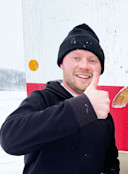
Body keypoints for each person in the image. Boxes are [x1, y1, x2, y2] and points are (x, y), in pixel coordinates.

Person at [0, 24, 119, 174]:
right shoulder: (42, 99)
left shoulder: (104, 115)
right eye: (76, 58)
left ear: (100, 69)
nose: (84, 65)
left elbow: (110, 164)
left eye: (92, 60)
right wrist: (82, 108)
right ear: (62, 63)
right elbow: (10, 140)